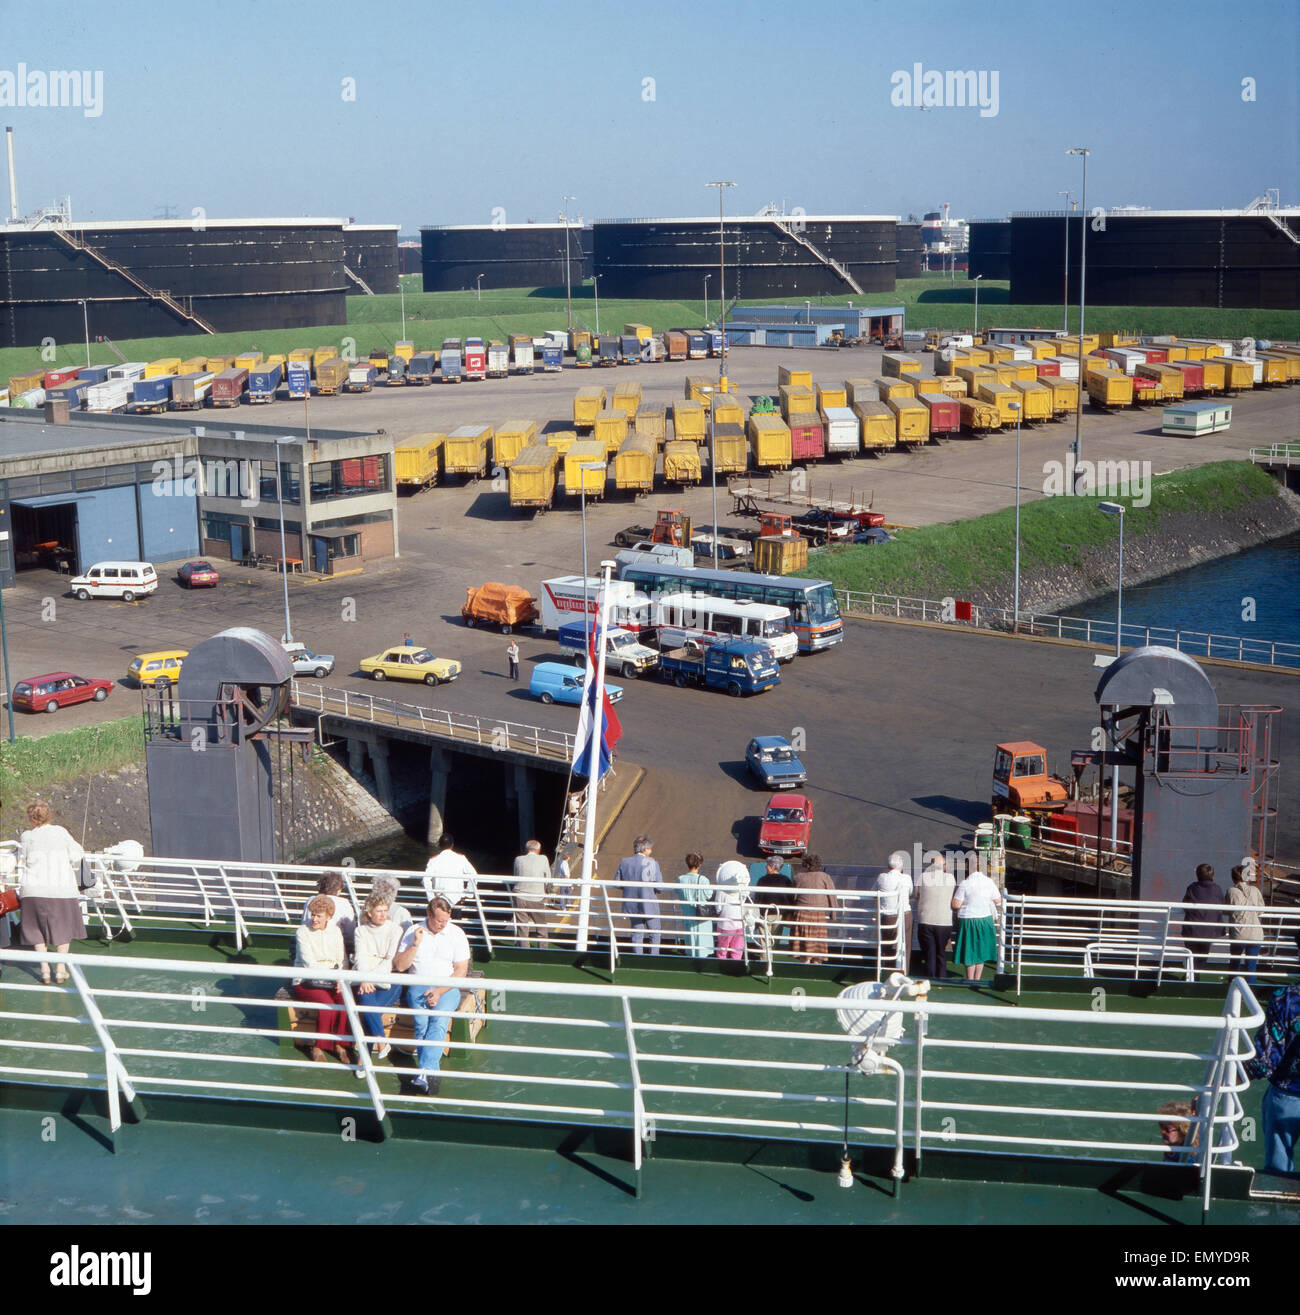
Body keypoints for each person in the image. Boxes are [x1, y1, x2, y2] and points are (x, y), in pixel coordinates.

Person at [392, 896, 472, 1096]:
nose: (443, 925)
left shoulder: (456, 933)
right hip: (418, 985)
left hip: (447, 987)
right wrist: (415, 945)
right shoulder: (413, 932)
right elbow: (400, 966)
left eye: (446, 920)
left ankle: (424, 1072)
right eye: (439, 921)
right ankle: (430, 1073)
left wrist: (439, 990)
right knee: (421, 1024)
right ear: (429, 915)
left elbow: (461, 970)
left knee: (438, 1020)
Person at [18, 803, 86, 985]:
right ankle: (61, 969)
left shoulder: (26, 837)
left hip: (33, 890)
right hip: (61, 888)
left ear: (31, 818)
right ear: (49, 816)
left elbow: (22, 858)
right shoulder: (60, 832)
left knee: (35, 929)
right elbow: (76, 855)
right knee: (63, 928)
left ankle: (44, 970)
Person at [293, 895, 357, 1065]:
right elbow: (309, 963)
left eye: (319, 916)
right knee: (327, 1005)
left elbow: (341, 959)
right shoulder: (302, 932)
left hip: (333, 979)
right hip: (307, 980)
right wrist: (333, 975)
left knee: (345, 1004)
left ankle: (340, 1044)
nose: (314, 919)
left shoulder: (335, 931)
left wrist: (340, 979)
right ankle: (318, 1047)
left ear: (328, 916)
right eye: (312, 914)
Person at [1246, 983, 1300, 1176]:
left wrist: (1225, 1082)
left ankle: (1277, 1204)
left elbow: (1266, 1059)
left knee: (1278, 1172)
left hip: (1287, 1093)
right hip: (1286, 1093)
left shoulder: (1286, 998)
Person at [352, 893, 406, 1069]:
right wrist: (365, 978)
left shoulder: (395, 929)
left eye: (385, 911)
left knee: (368, 1009)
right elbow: (361, 958)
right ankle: (381, 1042)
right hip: (366, 977)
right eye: (379, 911)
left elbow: (390, 960)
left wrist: (369, 979)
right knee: (367, 1001)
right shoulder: (361, 931)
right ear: (369, 913)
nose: (383, 914)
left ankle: (363, 1058)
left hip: (388, 979)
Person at [951, 866, 1002, 982]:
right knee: (981, 950)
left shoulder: (965, 883)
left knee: (970, 950)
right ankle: (977, 979)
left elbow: (956, 904)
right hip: (985, 919)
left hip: (968, 920)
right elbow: (998, 900)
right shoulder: (989, 882)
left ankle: (970, 980)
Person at [616, 835, 663, 956]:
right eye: (650, 849)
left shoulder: (625, 862)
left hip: (632, 905)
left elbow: (617, 883)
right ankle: (654, 958)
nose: (651, 851)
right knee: (654, 933)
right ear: (645, 850)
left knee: (637, 935)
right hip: (649, 905)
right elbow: (660, 887)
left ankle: (638, 959)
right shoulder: (652, 863)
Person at [915, 853, 956, 981]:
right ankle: (942, 979)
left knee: (929, 953)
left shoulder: (922, 877)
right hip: (944, 922)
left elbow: (916, 894)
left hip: (926, 920)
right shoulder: (951, 879)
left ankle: (929, 979)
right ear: (944, 867)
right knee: (941, 952)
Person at [792, 853, 836, 965]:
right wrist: (833, 913)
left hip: (801, 915)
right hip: (819, 915)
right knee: (818, 945)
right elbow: (832, 895)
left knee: (803, 946)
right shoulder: (825, 877)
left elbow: (793, 897)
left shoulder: (799, 877)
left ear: (805, 864)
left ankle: (805, 964)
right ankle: (816, 965)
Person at [299, 871, 359, 951]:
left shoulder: (310, 900)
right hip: (335, 945)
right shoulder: (344, 903)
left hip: (310, 942)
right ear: (338, 889)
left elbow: (304, 922)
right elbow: (350, 932)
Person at [1181, 863, 1226, 965]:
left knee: (1191, 956)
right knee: (1202, 957)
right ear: (1212, 875)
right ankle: (1194, 976)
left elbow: (1185, 905)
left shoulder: (1192, 888)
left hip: (1191, 930)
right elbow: (1222, 906)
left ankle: (1192, 977)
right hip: (1209, 930)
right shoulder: (1217, 889)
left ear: (1197, 874)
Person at [1226, 864, 1265, 984]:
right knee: (1251, 966)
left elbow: (1226, 909)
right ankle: (1251, 991)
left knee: (1234, 963)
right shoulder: (1255, 890)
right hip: (1256, 933)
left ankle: (1231, 987)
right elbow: (1261, 910)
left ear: (1233, 878)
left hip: (1239, 933)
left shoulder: (1231, 891)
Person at [423, 834, 477, 918]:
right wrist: (467, 894)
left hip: (439, 898)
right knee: (456, 925)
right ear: (452, 845)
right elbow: (473, 875)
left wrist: (431, 898)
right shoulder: (461, 858)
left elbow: (425, 880)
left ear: (439, 845)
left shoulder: (433, 860)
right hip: (457, 898)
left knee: (439, 923)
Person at [876, 854, 914, 971]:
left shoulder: (881, 878)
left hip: (887, 917)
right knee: (905, 946)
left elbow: (874, 893)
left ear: (888, 865)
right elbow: (910, 893)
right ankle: (903, 972)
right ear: (901, 866)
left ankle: (885, 972)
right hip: (904, 915)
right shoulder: (906, 878)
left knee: (886, 945)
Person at [512, 839, 551, 949]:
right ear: (538, 849)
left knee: (522, 924)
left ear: (526, 849)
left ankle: (524, 948)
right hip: (536, 896)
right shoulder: (543, 859)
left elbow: (515, 877)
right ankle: (543, 948)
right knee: (540, 924)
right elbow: (548, 877)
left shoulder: (518, 859)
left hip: (519, 895)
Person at [676, 853, 714, 959]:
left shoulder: (680, 879)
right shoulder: (703, 880)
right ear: (699, 865)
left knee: (690, 941)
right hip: (701, 916)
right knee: (702, 942)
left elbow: (678, 892)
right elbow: (709, 895)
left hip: (687, 914)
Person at [754, 856, 795, 949]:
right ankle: (772, 956)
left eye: (767, 865)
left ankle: (766, 961)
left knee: (764, 941)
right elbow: (791, 899)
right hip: (780, 915)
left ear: (772, 867)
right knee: (774, 940)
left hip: (764, 914)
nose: (766, 867)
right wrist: (789, 913)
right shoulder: (786, 880)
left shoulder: (762, 880)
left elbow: (758, 898)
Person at [714, 860, 749, 961]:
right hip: (740, 923)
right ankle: (735, 964)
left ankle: (722, 964)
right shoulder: (745, 889)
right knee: (737, 949)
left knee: (722, 948)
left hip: (726, 924)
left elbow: (718, 908)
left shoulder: (721, 891)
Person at [1156, 1099, 1201, 1164]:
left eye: (1167, 1129)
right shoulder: (1174, 1147)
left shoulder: (1189, 1156)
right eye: (1161, 1126)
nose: (1162, 1131)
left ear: (1183, 1132)